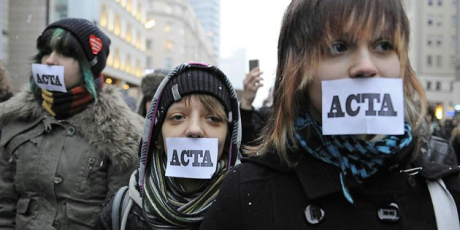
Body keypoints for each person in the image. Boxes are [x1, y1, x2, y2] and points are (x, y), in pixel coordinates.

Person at [200, 1, 460, 229]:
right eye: (338, 47)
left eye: (383, 45)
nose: (366, 67)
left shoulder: (445, 184)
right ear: (299, 69)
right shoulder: (247, 193)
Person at [0, 18, 143, 230]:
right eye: (46, 52)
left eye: (65, 54)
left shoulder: (122, 135)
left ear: (88, 66)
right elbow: (5, 205)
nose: (50, 60)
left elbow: (120, 217)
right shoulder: (15, 119)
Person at [94, 62, 241, 230]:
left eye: (213, 119)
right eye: (178, 117)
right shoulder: (121, 211)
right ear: (156, 137)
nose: (194, 129)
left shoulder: (248, 210)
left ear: (229, 138)